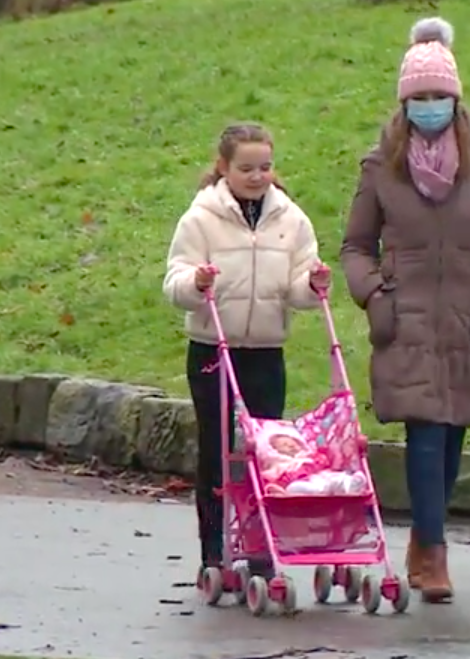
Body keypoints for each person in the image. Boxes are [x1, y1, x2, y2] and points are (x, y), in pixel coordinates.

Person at [339, 17, 470, 603]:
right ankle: (437, 554)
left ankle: (424, 546)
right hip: (406, 321)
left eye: (439, 97)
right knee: (426, 432)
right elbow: (355, 246)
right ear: (404, 104)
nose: (430, 107)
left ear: (456, 98)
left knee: (452, 438)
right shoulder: (380, 166)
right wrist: (375, 295)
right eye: (419, 98)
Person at [163, 122, 332, 581]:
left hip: (264, 349)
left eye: (265, 167)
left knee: (265, 453)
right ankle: (214, 551)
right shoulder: (200, 218)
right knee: (217, 452)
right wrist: (196, 283)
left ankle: (259, 546)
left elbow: (297, 288)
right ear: (223, 167)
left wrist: (312, 284)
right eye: (246, 168)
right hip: (212, 348)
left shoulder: (290, 219)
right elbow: (174, 282)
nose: (258, 177)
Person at [254, 423, 368, 496]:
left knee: (335, 475)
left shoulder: (309, 456)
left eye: (293, 443)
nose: (290, 445)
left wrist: (316, 459)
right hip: (298, 485)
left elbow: (323, 462)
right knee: (294, 488)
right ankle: (330, 489)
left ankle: (349, 484)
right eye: (284, 445)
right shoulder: (277, 464)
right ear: (274, 450)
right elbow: (269, 480)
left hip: (318, 477)